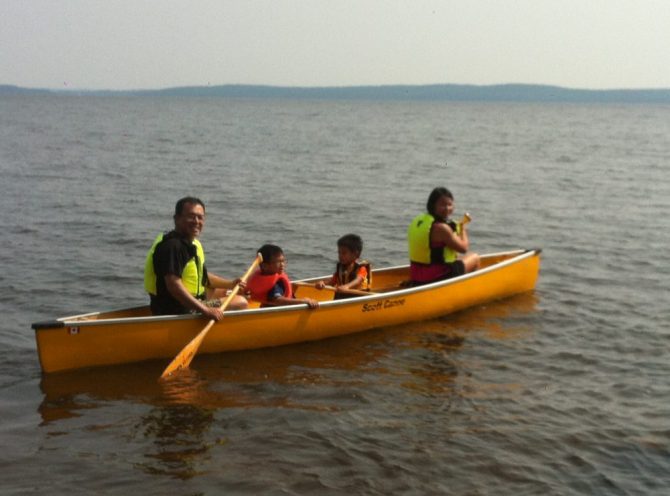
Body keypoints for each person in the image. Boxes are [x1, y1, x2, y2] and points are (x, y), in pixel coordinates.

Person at [143, 196, 248, 320]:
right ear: (176, 219)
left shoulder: (191, 243)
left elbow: (201, 276)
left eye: (200, 217)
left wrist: (230, 284)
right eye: (191, 216)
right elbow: (173, 285)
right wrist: (206, 310)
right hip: (179, 310)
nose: (196, 221)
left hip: (190, 302)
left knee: (227, 292)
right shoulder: (173, 246)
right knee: (241, 301)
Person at [407, 187, 480, 285]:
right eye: (442, 205)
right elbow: (464, 248)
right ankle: (468, 291)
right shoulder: (441, 228)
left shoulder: (418, 221)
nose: (447, 209)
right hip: (433, 277)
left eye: (449, 204)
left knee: (456, 259)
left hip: (416, 275)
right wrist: (462, 229)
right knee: (475, 257)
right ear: (433, 205)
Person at [247, 244, 319, 309]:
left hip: (264, 308)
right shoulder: (276, 281)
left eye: (283, 261)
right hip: (275, 312)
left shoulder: (259, 277)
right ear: (265, 266)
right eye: (278, 262)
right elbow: (278, 300)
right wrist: (303, 301)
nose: (282, 264)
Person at [315, 233, 371, 298]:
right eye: (339, 253)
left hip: (357, 296)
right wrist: (322, 283)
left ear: (356, 254)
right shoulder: (341, 268)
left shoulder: (361, 268)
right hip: (343, 294)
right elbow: (332, 281)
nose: (340, 256)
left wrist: (347, 286)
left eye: (344, 253)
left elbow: (358, 280)